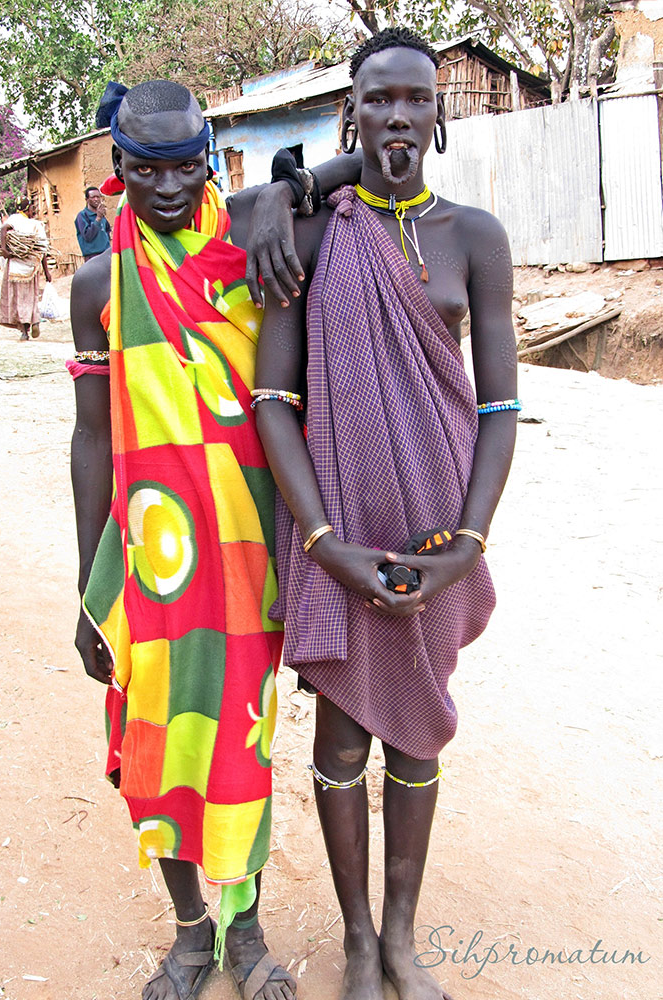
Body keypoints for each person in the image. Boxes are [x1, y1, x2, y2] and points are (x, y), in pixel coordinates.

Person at [253, 28, 519, 1000]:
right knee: (339, 742)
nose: (398, 116)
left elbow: (497, 407)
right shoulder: (309, 236)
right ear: (352, 113)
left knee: (418, 735)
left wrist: (469, 543)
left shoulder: (475, 238)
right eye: (379, 100)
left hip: (439, 534)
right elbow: (272, 401)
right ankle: (359, 944)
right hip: (339, 533)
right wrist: (324, 545)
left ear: (438, 113)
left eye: (416, 98)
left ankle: (402, 938)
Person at [69, 78, 320, 1000]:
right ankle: (187, 933)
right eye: (148, 170)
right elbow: (94, 433)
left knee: (239, 745)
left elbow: (345, 176)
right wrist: (88, 586)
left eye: (186, 166)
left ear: (208, 158)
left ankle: (245, 933)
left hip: (251, 556)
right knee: (159, 748)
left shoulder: (253, 245)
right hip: (152, 564)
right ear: (118, 170)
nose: (169, 188)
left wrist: (286, 188)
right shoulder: (99, 282)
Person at [0, 199, 52, 340]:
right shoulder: (36, 225)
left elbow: (3, 229)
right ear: (27, 209)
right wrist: (46, 272)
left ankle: (24, 332)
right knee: (31, 297)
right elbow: (43, 250)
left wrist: (4, 249)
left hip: (15, 267)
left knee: (17, 298)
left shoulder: (14, 219)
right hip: (31, 267)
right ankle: (34, 321)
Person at [74, 186, 112, 260]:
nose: (96, 199)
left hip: (106, 254)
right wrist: (98, 219)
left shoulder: (102, 215)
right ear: (87, 200)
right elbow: (88, 236)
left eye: (98, 197)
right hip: (92, 257)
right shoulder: (82, 215)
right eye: (93, 197)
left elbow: (107, 231)